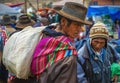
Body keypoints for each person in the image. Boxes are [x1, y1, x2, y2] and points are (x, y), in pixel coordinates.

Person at [31, 2, 91, 83]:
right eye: (77, 25)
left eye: (81, 25)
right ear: (63, 22)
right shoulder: (68, 54)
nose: (81, 29)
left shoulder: (45, 36)